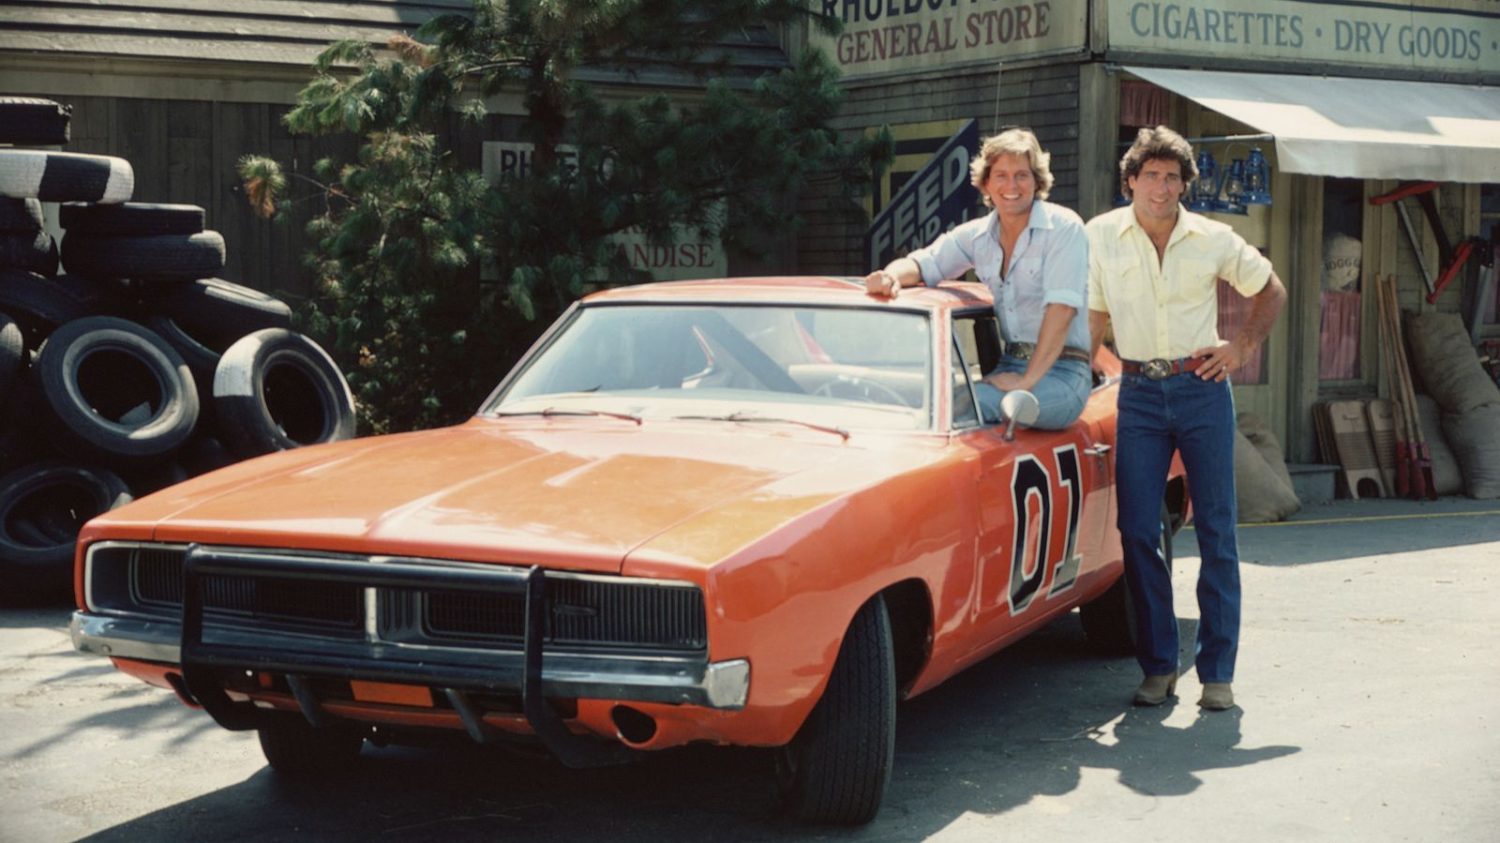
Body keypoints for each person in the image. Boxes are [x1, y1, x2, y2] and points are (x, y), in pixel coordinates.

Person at [1086, 126, 1288, 711]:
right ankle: (1159, 667)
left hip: (1201, 388)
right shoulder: (1101, 235)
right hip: (1138, 394)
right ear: (1130, 181)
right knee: (1137, 531)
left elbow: (1270, 290)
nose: (1161, 187)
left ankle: (1218, 674)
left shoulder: (1211, 237)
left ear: (1183, 185)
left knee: (1217, 530)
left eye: (1172, 177)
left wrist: (1240, 349)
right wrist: (1075, 382)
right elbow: (1094, 315)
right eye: (1150, 175)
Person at [864, 128, 1091, 430]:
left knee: (964, 407)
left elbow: (1061, 311)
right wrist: (890, 276)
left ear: (1037, 181)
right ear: (986, 182)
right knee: (934, 406)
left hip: (1063, 374)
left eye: (1022, 175)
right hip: (1009, 364)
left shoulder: (1064, 228)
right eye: (1001, 175)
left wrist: (1025, 382)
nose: (1011, 185)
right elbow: (924, 262)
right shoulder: (977, 236)